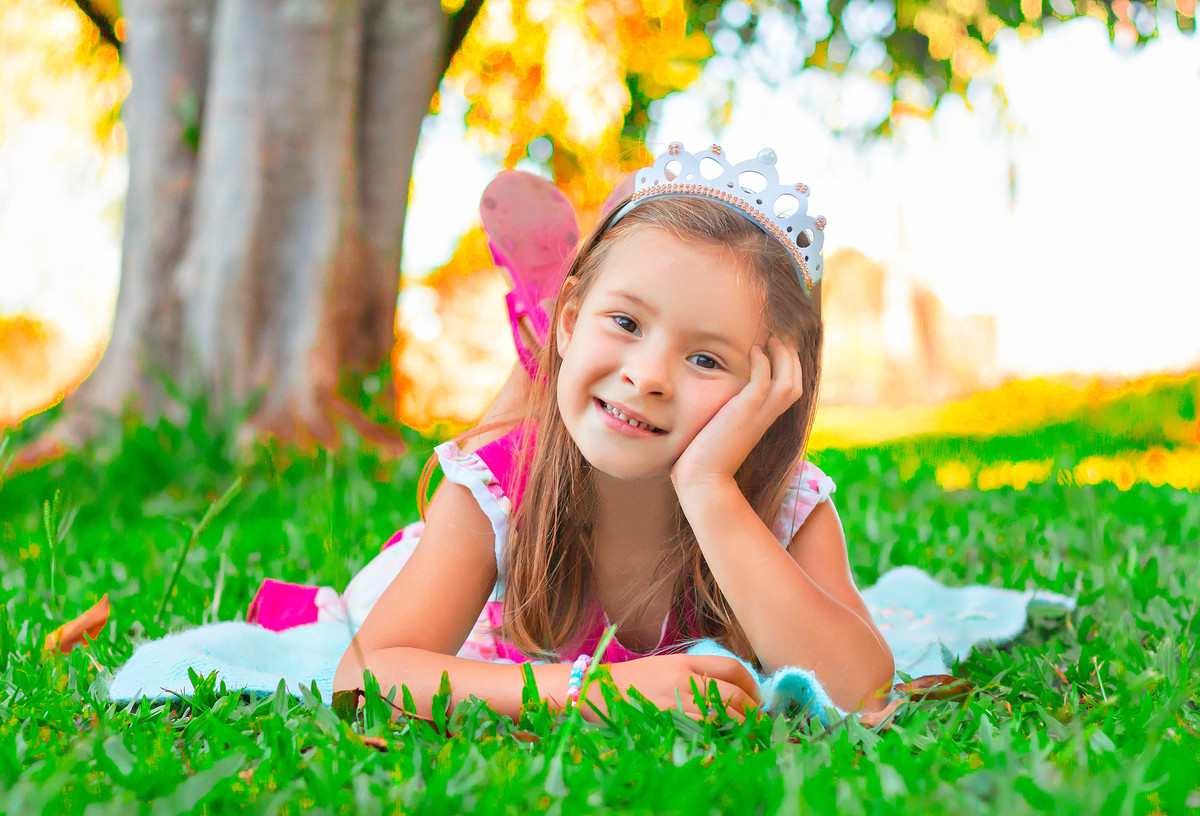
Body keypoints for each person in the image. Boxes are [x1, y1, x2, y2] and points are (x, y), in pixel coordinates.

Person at [327, 143, 895, 721]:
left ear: (773, 385)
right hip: (474, 537)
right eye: (626, 322)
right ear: (571, 323)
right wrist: (602, 691)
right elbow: (362, 677)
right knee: (499, 441)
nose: (647, 377)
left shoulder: (786, 503)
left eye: (706, 359)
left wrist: (709, 487)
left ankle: (566, 334)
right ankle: (539, 355)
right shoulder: (497, 491)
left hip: (631, 413)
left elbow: (863, 691)